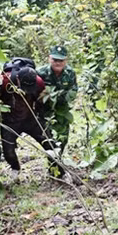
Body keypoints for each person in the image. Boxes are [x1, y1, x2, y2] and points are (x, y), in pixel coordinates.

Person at [0, 63, 61, 179]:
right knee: (8, 151)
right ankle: (15, 168)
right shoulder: (6, 81)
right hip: (10, 120)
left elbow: (43, 96)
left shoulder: (38, 81)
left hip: (30, 118)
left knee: (49, 143)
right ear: (17, 79)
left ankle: (59, 171)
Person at [37, 44, 78, 172]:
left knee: (63, 139)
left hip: (62, 112)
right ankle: (54, 168)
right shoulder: (41, 73)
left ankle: (56, 164)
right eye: (55, 60)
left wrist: (57, 96)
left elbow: (73, 91)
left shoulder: (70, 73)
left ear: (65, 60)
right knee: (50, 140)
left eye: (61, 60)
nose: (57, 63)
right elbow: (35, 93)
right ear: (49, 59)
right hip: (45, 112)